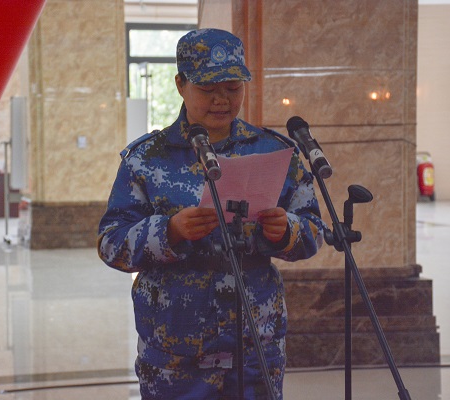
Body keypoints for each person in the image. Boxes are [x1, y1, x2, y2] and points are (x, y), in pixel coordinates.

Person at [97, 28, 325, 399]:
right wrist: (169, 232)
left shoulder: (273, 151)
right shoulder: (146, 158)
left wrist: (286, 231)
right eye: (207, 88)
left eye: (233, 88)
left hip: (255, 347)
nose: (221, 100)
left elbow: (314, 228)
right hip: (176, 354)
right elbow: (110, 243)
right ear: (180, 84)